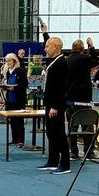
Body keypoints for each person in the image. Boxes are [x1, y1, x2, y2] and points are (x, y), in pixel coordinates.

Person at [39, 36, 70, 173]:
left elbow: (61, 87)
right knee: (51, 133)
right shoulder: (54, 61)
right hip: (49, 103)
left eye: (47, 46)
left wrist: (56, 106)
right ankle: (52, 160)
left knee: (59, 134)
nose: (45, 49)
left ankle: (65, 164)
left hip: (56, 105)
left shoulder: (61, 63)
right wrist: (45, 34)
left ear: (56, 47)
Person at [65, 37, 98, 159]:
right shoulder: (84, 58)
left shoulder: (66, 60)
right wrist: (92, 46)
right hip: (83, 98)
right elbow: (95, 61)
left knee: (72, 125)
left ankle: (73, 151)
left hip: (69, 98)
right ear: (82, 49)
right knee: (87, 125)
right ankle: (88, 151)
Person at [2, 53, 28, 146]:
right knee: (12, 120)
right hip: (10, 100)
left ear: (14, 61)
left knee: (19, 120)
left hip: (19, 100)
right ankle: (14, 139)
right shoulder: (8, 72)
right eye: (6, 61)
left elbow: (24, 84)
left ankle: (21, 140)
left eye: (9, 61)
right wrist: (5, 87)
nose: (8, 63)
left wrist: (14, 88)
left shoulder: (20, 71)